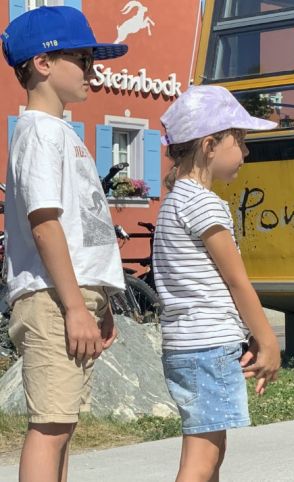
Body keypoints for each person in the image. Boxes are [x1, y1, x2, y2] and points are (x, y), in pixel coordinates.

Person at [1, 6, 128, 481]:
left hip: (73, 296)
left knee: (65, 422)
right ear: (44, 63)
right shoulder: (37, 131)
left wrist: (100, 301)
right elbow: (45, 224)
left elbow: (78, 231)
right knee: (50, 425)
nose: (93, 72)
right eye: (84, 58)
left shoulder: (61, 132)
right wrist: (75, 307)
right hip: (53, 299)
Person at [154, 85, 282, 481]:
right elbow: (236, 281)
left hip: (185, 344)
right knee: (202, 457)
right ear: (210, 144)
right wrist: (268, 340)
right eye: (239, 140)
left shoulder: (174, 202)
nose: (245, 152)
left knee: (210, 449)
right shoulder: (205, 203)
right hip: (207, 346)